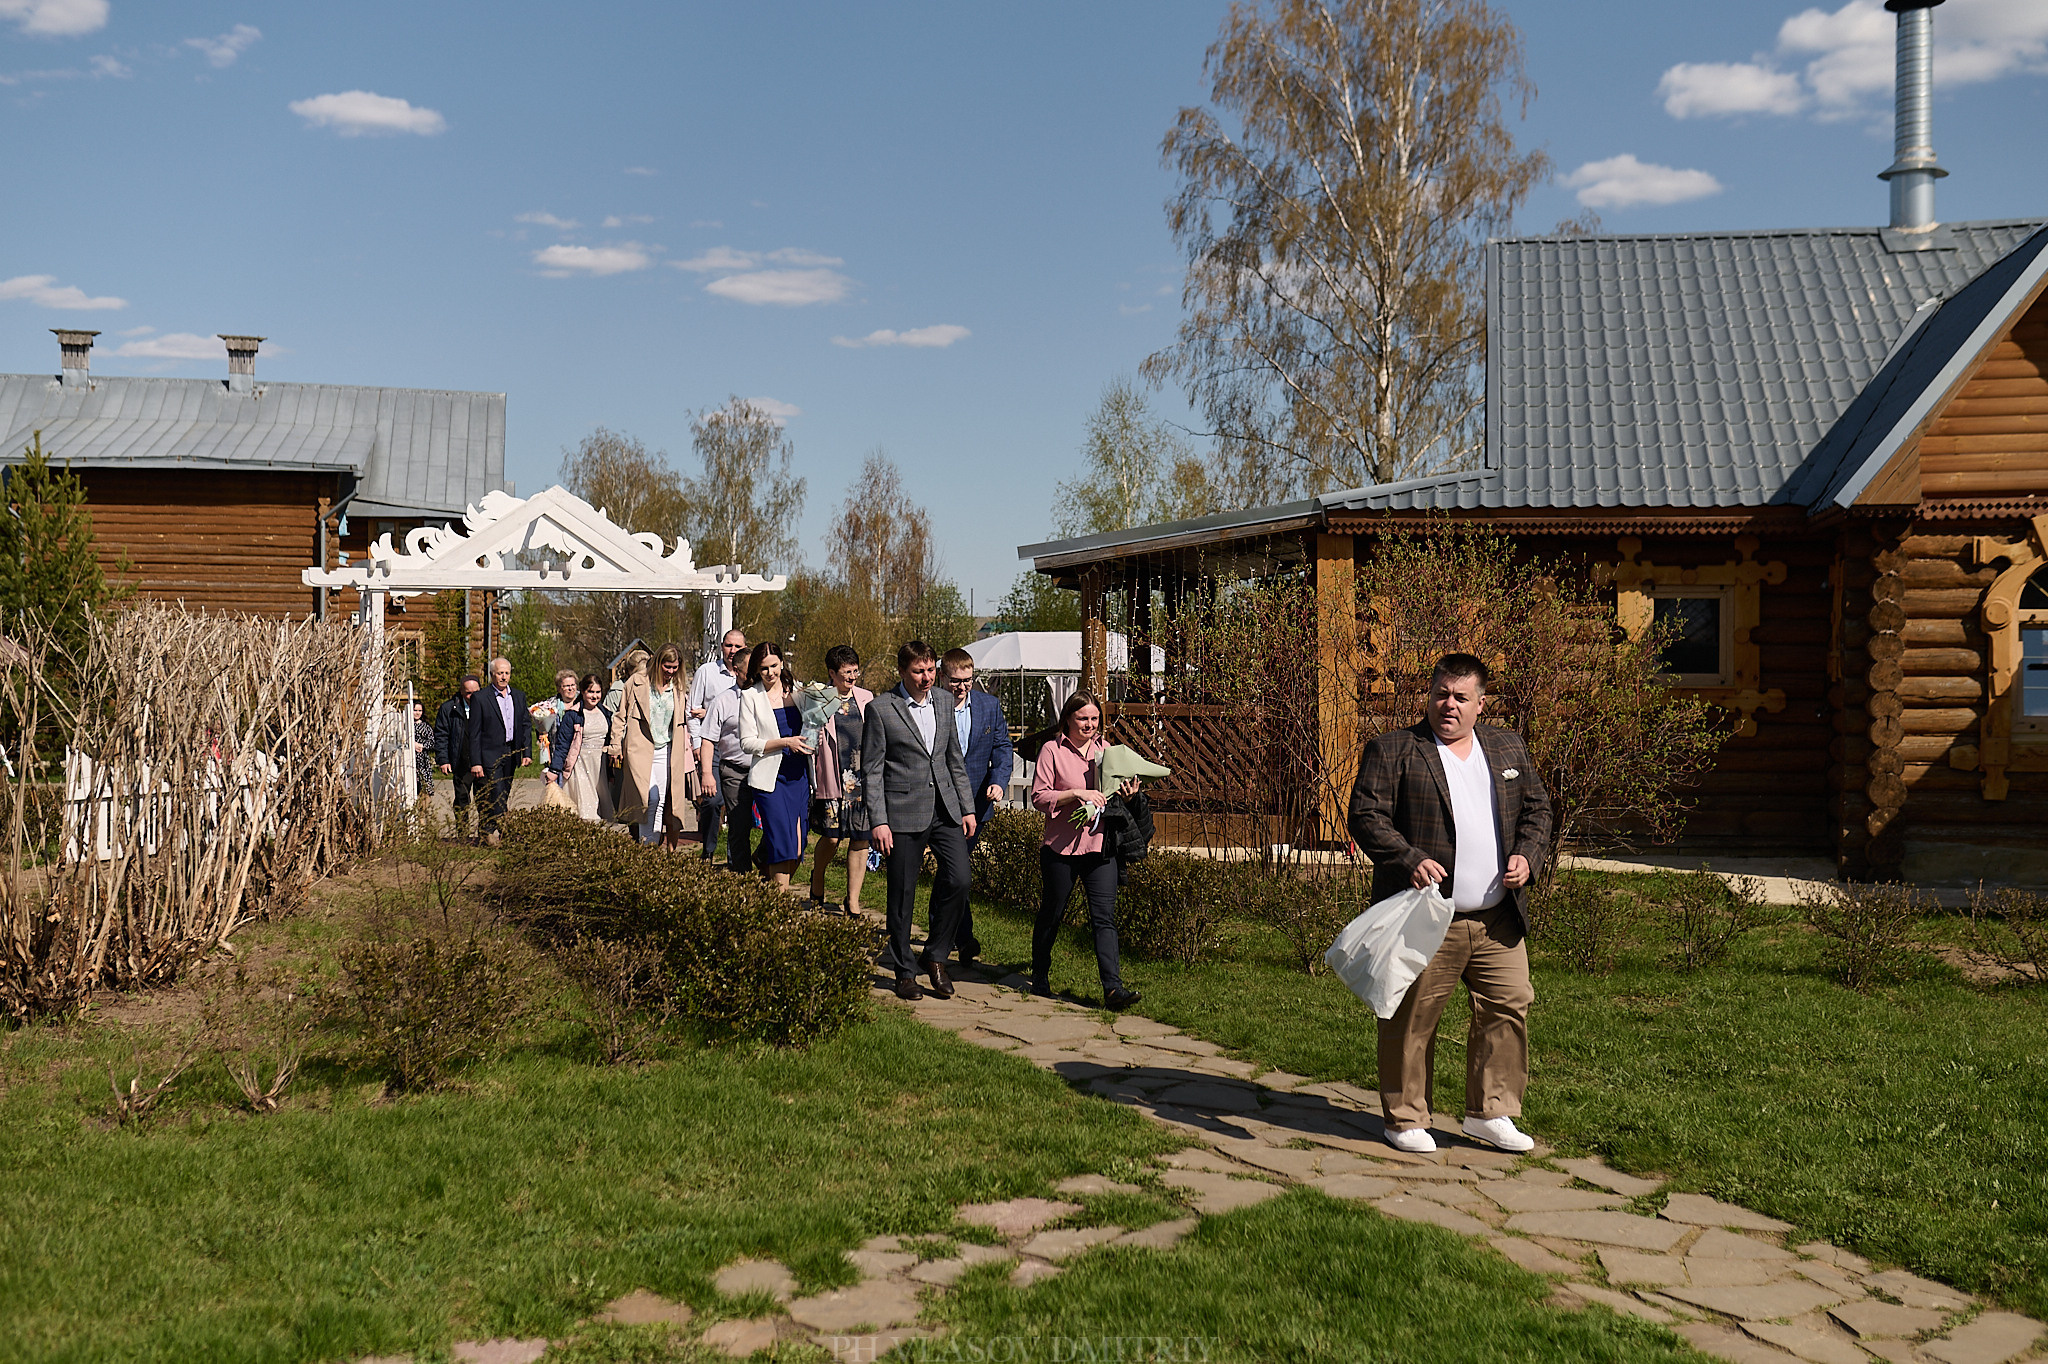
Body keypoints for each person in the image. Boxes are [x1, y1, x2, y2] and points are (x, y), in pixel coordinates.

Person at [1347, 652, 1553, 1155]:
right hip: (1427, 916)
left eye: (1461, 697)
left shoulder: (1507, 746)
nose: (1449, 705)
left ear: (1481, 703)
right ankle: (1405, 1118)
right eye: (1441, 694)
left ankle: (1491, 1112)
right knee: (1412, 1017)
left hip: (1497, 917)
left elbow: (1537, 810)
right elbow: (1367, 816)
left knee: (1509, 1005)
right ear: (1430, 695)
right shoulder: (1395, 749)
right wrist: (1409, 859)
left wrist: (1527, 857)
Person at [862, 640, 976, 1001]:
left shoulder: (944, 700)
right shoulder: (881, 709)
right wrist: (878, 821)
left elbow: (954, 759)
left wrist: (967, 807)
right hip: (901, 813)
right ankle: (904, 972)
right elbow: (872, 770)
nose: (926, 678)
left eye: (930, 670)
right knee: (902, 895)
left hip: (945, 809)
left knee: (960, 879)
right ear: (902, 672)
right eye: (918, 671)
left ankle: (936, 955)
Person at [1029, 691, 1142, 1010]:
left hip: (1100, 848)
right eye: (1082, 718)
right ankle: (1040, 973)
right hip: (1060, 849)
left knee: (1104, 918)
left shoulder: (1107, 751)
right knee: (1052, 914)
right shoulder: (1052, 750)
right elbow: (1039, 797)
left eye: (1094, 718)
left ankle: (1113, 990)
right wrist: (1076, 793)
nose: (1089, 724)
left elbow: (1114, 794)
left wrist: (1129, 795)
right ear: (1068, 718)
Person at [939, 648, 1014, 962]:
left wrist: (998, 780)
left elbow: (1002, 747)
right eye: (955, 681)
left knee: (954, 873)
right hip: (940, 804)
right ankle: (958, 938)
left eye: (967, 680)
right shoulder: (932, 706)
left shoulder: (988, 706)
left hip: (977, 803)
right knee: (954, 872)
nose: (962, 687)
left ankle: (952, 938)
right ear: (943, 677)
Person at [808, 644, 874, 914]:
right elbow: (809, 737)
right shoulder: (818, 700)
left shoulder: (866, 697)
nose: (852, 677)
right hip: (832, 777)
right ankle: (817, 876)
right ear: (832, 673)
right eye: (847, 672)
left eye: (855, 671)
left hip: (861, 779)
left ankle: (852, 901)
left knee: (861, 839)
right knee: (832, 837)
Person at [740, 642, 812, 889]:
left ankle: (764, 868)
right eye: (764, 668)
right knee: (783, 846)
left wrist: (815, 737)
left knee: (798, 848)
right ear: (756, 670)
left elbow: (811, 725)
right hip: (770, 779)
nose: (770, 672)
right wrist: (784, 742)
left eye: (774, 666)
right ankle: (780, 904)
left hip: (799, 776)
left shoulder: (799, 691)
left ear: (782, 663)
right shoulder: (750, 696)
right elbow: (747, 742)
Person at [613, 644, 691, 847]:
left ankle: (650, 847)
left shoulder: (678, 686)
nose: (671, 671)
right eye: (667, 667)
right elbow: (620, 716)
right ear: (657, 663)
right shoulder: (637, 682)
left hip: (667, 749)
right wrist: (615, 745)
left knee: (661, 801)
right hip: (640, 748)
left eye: (675, 667)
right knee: (650, 798)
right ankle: (646, 844)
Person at [696, 652, 758, 875]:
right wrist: (707, 773)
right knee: (739, 825)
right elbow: (708, 740)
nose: (754, 675)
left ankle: (763, 863)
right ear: (736, 671)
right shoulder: (723, 701)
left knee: (777, 823)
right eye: (749, 671)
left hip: (764, 768)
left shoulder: (766, 697)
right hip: (734, 771)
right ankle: (743, 876)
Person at [466, 656, 532, 846]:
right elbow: (474, 732)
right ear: (492, 675)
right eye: (500, 673)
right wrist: (476, 762)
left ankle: (489, 830)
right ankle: (499, 831)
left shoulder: (518, 696)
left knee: (504, 793)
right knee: (496, 791)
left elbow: (525, 725)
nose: (503, 677)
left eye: (506, 673)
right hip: (490, 753)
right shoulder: (481, 698)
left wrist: (526, 753)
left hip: (511, 751)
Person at [560, 673, 615, 822]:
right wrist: (555, 769)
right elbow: (563, 744)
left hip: (600, 764)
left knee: (601, 803)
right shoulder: (573, 714)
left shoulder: (606, 712)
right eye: (590, 692)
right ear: (583, 692)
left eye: (598, 692)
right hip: (581, 763)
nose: (594, 696)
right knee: (585, 804)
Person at [433, 674, 482, 838]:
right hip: (460, 761)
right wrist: (443, 760)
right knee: (462, 800)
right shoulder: (449, 709)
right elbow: (441, 735)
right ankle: (463, 834)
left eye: (476, 692)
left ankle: (484, 834)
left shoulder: (487, 706)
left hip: (482, 761)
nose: (472, 696)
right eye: (468, 693)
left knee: (484, 799)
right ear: (461, 691)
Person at [688, 627, 748, 735]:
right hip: (712, 742)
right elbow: (692, 712)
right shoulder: (706, 672)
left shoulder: (752, 676)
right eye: (728, 645)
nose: (733, 651)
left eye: (738, 646)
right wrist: (697, 742)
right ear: (721, 646)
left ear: (745, 648)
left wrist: (707, 713)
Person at [410, 699, 434, 796]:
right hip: (410, 758)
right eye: (415, 710)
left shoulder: (426, 727)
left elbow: (432, 742)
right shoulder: (406, 725)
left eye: (420, 711)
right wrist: (413, 744)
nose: (417, 713)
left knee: (424, 786)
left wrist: (422, 746)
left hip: (422, 760)